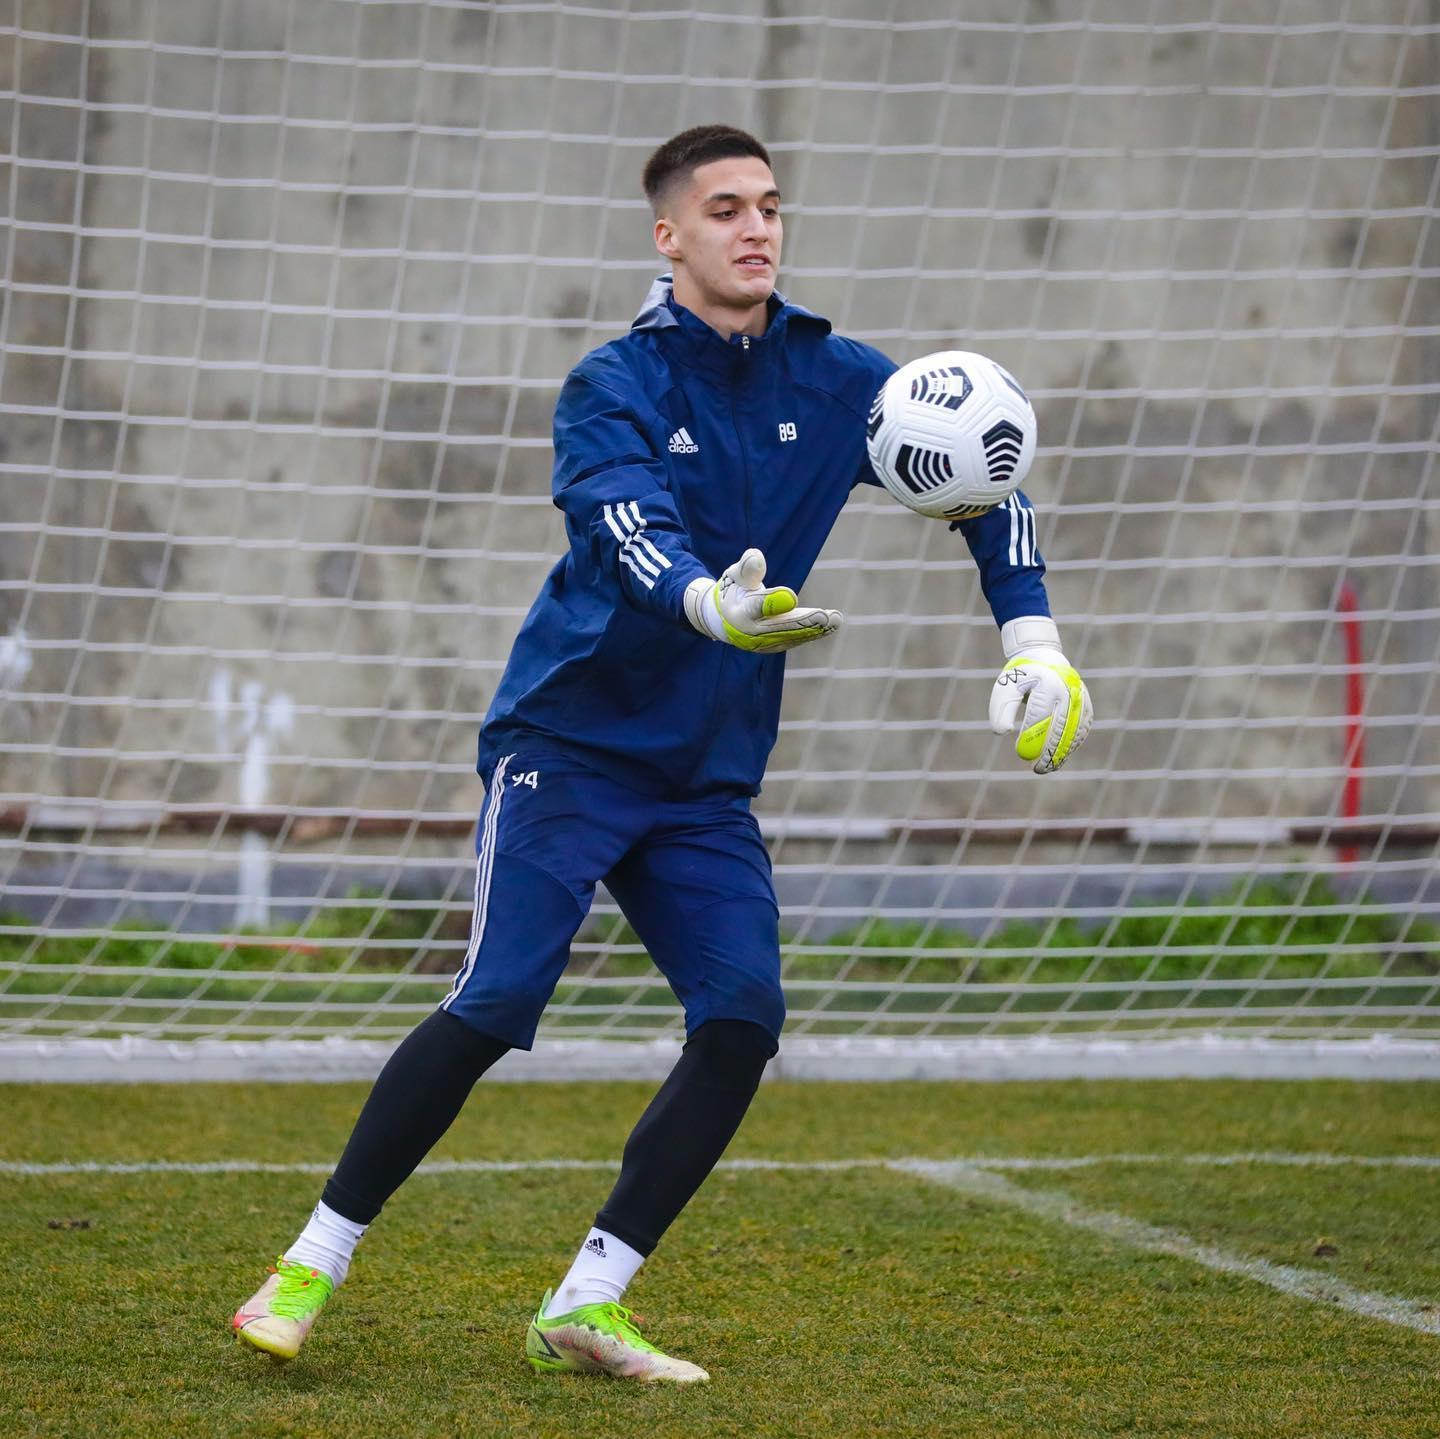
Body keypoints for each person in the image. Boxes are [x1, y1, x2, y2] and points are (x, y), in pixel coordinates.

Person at [232, 124, 1092, 1383]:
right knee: (499, 996)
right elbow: (620, 524)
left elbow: (986, 480)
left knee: (742, 1016)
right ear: (669, 234)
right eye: (726, 208)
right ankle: (310, 1261)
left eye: (771, 206)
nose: (757, 228)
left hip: (704, 777)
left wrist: (1036, 643)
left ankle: (590, 1298)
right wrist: (706, 604)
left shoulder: (842, 378)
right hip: (570, 744)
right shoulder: (613, 384)